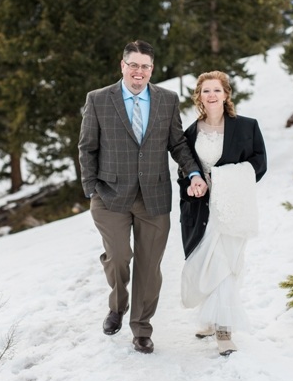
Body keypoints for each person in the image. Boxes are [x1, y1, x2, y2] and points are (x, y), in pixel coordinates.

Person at [78, 40, 208, 354]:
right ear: (122, 66)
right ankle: (118, 305)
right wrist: (91, 188)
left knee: (150, 267)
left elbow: (177, 144)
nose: (139, 71)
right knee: (119, 256)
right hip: (109, 196)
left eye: (145, 66)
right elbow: (87, 147)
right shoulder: (98, 100)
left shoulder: (166, 100)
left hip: (154, 196)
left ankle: (141, 328)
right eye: (133, 65)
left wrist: (193, 173)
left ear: (152, 69)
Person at [177, 70, 267, 356]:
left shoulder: (247, 127)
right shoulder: (191, 132)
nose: (211, 95)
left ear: (226, 94)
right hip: (202, 210)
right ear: (199, 97)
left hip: (233, 207)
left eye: (216, 90)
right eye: (206, 91)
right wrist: (192, 185)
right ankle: (209, 317)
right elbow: (185, 169)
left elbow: (259, 163)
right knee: (206, 263)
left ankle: (224, 329)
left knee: (226, 266)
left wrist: (223, 178)